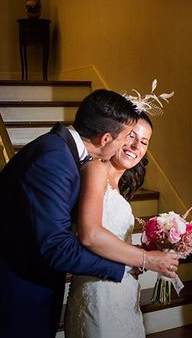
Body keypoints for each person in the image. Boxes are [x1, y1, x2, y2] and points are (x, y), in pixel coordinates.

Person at [0, 89, 177, 338]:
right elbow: (58, 246)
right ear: (106, 139)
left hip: (31, 291)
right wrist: (131, 264)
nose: (129, 145)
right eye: (126, 137)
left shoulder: (60, 153)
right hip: (13, 297)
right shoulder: (55, 159)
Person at [65, 112, 170, 337]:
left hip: (124, 293)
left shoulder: (119, 186)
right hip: (98, 294)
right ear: (116, 135)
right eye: (131, 136)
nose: (135, 146)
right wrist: (147, 259)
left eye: (143, 142)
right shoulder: (95, 169)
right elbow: (90, 234)